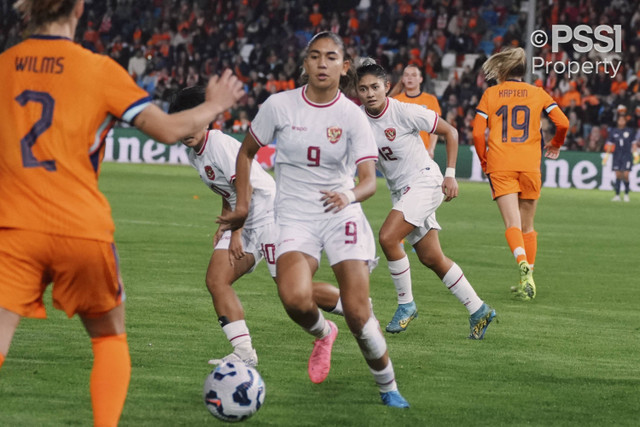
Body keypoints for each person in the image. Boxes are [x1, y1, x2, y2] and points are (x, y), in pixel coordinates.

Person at [0, 1, 244, 426]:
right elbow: (168, 131)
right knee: (109, 338)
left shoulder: (4, 66)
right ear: (77, 9)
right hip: (81, 228)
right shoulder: (98, 69)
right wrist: (214, 103)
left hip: (14, 227)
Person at [217, 32, 409, 408]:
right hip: (293, 216)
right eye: (315, 57)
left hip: (341, 214)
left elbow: (369, 181)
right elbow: (246, 154)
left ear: (344, 66)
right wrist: (242, 206)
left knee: (357, 311)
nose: (323, 64)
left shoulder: (352, 116)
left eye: (331, 57)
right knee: (293, 297)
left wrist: (348, 195)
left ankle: (387, 384)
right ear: (305, 64)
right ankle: (323, 333)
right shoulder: (279, 106)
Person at [167, 86, 341, 367]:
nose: (187, 129)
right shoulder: (195, 154)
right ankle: (245, 353)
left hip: (271, 216)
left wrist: (236, 232)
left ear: (207, 119)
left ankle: (353, 308)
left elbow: (243, 185)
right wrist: (225, 223)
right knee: (216, 279)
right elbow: (229, 192)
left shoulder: (218, 144)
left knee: (291, 290)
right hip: (245, 219)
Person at [355, 59, 496, 339]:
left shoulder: (404, 111)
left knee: (387, 237)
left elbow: (450, 132)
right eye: (362, 88)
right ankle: (479, 310)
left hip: (425, 181)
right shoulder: (358, 121)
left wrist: (451, 175)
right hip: (402, 191)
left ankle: (406, 304)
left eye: (374, 87)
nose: (369, 93)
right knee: (432, 257)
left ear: (386, 87)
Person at [472, 47, 569, 300]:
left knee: (511, 224)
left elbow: (475, 133)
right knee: (528, 226)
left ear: (503, 69)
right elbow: (564, 123)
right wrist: (556, 144)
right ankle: (528, 280)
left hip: (501, 164)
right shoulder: (538, 93)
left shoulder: (491, 94)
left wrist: (484, 160)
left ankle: (522, 266)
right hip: (530, 165)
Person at [389, 64, 442, 158]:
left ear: (420, 79)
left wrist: (431, 148)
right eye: (406, 75)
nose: (410, 78)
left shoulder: (431, 100)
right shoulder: (395, 101)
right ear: (403, 79)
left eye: (413, 75)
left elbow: (435, 128)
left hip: (422, 152)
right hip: (400, 152)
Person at [607, 114, 638, 202]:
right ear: (617, 121)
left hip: (627, 155)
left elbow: (634, 144)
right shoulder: (614, 131)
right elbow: (610, 144)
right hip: (617, 155)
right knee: (618, 175)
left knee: (626, 175)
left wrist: (636, 155)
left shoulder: (630, 131)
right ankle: (617, 195)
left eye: (623, 120)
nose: (621, 122)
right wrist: (606, 156)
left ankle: (626, 194)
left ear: (625, 121)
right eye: (619, 120)